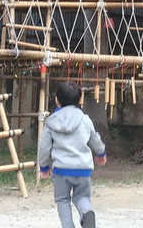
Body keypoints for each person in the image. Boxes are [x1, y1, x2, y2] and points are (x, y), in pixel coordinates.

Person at [38, 81, 107, 228]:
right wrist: (101, 153)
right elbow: (94, 138)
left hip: (61, 170)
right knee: (82, 197)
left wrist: (44, 166)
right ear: (79, 100)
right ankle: (86, 212)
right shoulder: (85, 119)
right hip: (83, 169)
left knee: (62, 200)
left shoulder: (51, 122)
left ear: (57, 100)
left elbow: (44, 146)